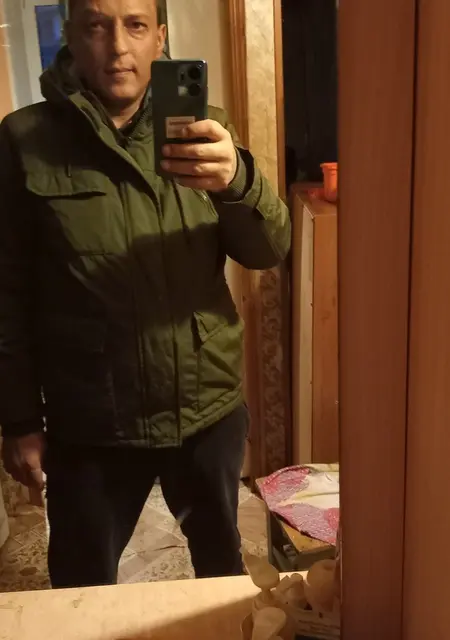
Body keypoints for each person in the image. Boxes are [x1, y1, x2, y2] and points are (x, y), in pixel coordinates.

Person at [0, 0, 291, 588]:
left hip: (205, 407)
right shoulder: (24, 140)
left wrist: (237, 181)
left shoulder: (207, 127)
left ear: (160, 38)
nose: (117, 47)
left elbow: (268, 249)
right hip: (91, 420)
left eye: (135, 25)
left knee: (220, 575)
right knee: (82, 585)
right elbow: (7, 293)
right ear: (71, 35)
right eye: (96, 25)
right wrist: (20, 420)